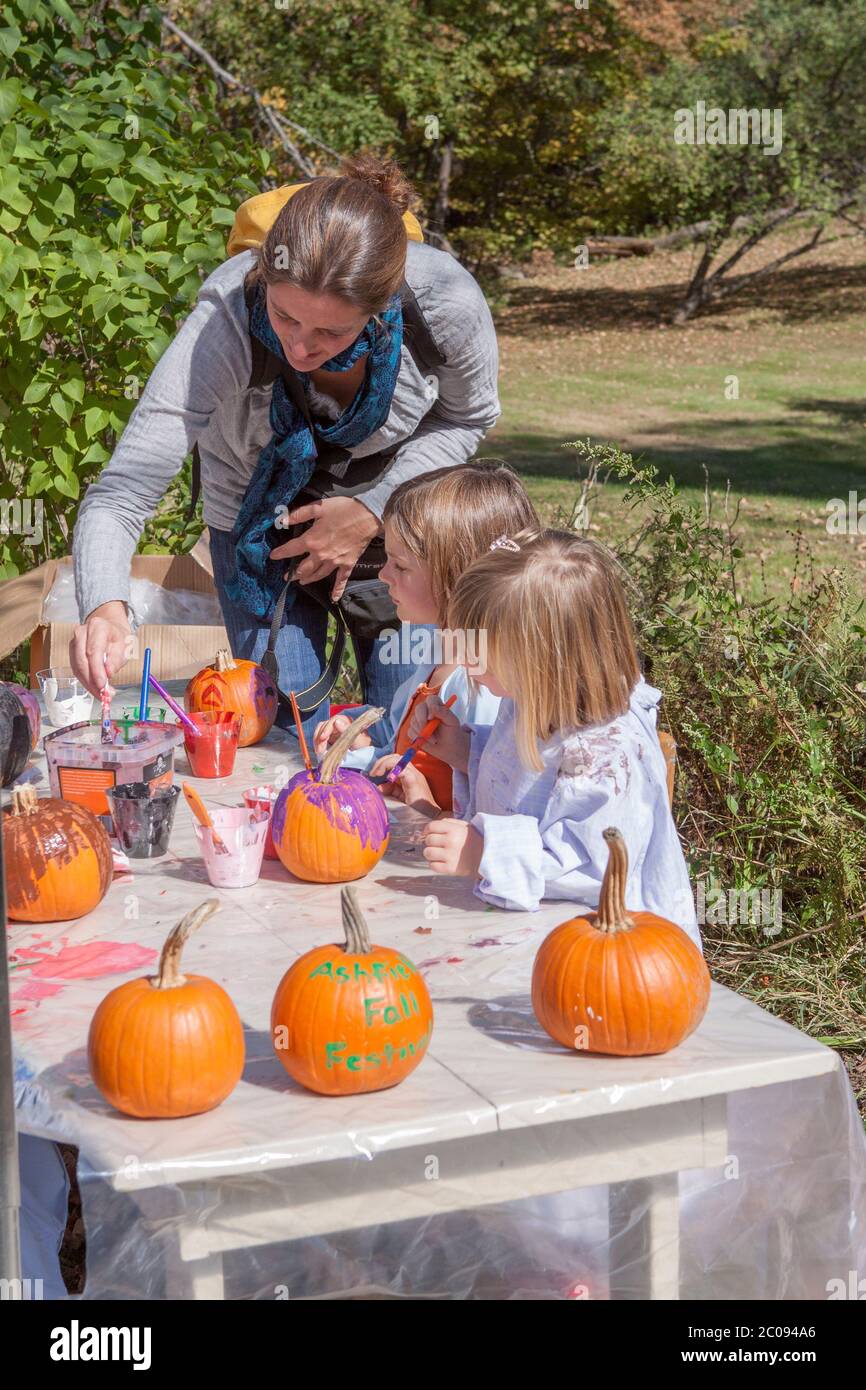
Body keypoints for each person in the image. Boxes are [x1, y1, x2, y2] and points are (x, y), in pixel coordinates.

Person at [69, 154, 501, 744]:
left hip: (398, 527)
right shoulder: (224, 322)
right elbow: (124, 492)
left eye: (331, 332)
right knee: (292, 729)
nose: (300, 346)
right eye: (284, 316)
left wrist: (373, 509)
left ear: (381, 309)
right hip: (255, 522)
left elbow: (470, 416)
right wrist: (104, 607)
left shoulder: (444, 303)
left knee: (405, 723)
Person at [415, 528, 701, 942]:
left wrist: (485, 853)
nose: (467, 663)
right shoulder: (529, 696)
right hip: (532, 932)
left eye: (484, 657)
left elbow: (593, 868)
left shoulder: (609, 753)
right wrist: (466, 751)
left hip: (609, 953)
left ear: (547, 658)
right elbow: (526, 786)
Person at [317, 459, 539, 813]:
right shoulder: (436, 650)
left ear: (460, 575)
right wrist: (360, 750)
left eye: (400, 565)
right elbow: (407, 762)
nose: (384, 575)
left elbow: (494, 815)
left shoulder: (489, 687)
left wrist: (425, 807)